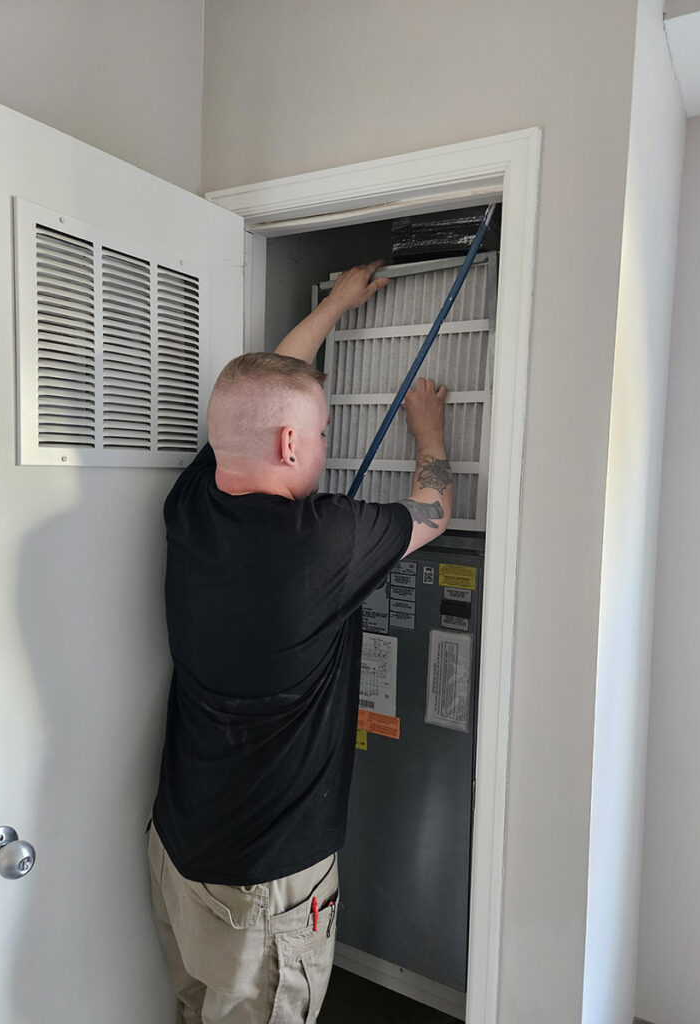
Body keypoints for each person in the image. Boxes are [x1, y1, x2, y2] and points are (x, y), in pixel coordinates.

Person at [147, 261, 453, 1024]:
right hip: (266, 889)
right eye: (321, 435)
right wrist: (430, 431)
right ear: (291, 442)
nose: (323, 448)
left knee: (196, 1008)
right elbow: (434, 511)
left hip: (179, 853)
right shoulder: (322, 544)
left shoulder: (190, 505)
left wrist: (339, 304)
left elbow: (263, 389)